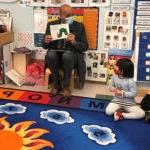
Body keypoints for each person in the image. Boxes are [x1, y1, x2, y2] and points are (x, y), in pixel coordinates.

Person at [43, 4, 88, 97]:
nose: (70, 17)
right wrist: (46, 41)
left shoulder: (79, 26)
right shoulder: (51, 25)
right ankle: (56, 84)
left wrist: (74, 42)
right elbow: (44, 46)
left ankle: (66, 86)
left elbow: (85, 46)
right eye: (67, 16)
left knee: (67, 55)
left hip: (72, 57)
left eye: (72, 15)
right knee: (50, 54)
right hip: (56, 57)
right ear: (60, 15)